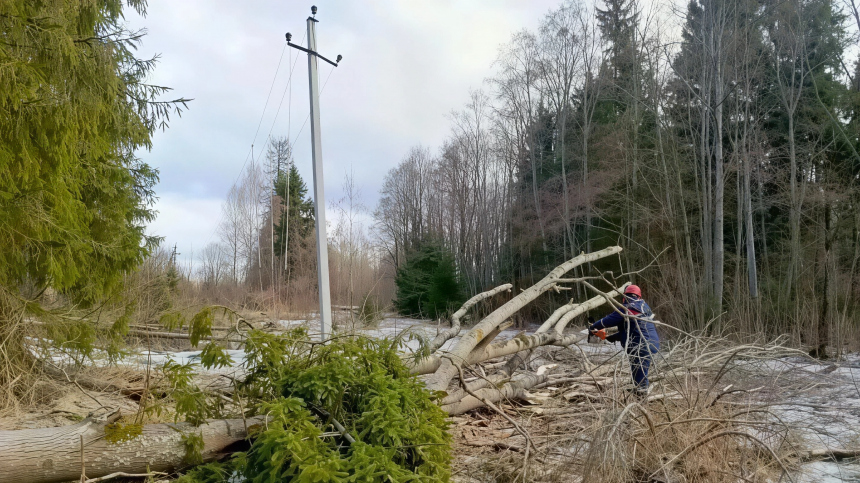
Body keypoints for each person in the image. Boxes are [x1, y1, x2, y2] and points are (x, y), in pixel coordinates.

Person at [588, 284, 660, 397]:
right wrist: (611, 337)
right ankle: (638, 392)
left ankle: (641, 397)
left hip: (640, 344)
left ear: (625, 296)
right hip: (651, 342)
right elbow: (631, 330)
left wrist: (593, 327)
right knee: (639, 369)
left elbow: (609, 320)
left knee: (639, 371)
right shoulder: (644, 306)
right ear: (639, 296)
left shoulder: (628, 307)